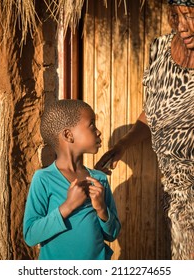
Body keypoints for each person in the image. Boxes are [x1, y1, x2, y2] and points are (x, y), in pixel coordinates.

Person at [95, 0, 194, 260]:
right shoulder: (160, 48)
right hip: (176, 190)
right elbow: (152, 112)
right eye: (177, 16)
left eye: (190, 16)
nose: (184, 27)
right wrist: (122, 145)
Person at [23, 99, 121, 260]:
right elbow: (30, 235)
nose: (98, 132)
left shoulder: (99, 179)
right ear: (68, 135)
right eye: (92, 125)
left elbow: (112, 234)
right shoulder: (43, 179)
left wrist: (102, 209)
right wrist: (68, 206)